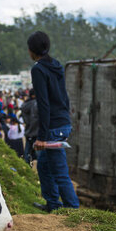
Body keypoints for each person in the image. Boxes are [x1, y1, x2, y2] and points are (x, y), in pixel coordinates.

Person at [28, 31, 79, 212]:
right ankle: (53, 204)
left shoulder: (38, 69)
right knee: (43, 167)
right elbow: (63, 98)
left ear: (32, 50)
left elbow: (44, 104)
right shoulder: (56, 65)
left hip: (53, 127)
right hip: (62, 123)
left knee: (59, 172)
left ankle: (72, 210)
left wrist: (41, 137)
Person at [20, 88, 39, 165]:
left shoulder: (25, 104)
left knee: (27, 152)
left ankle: (26, 166)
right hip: (37, 132)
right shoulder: (37, 104)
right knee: (39, 153)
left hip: (28, 131)